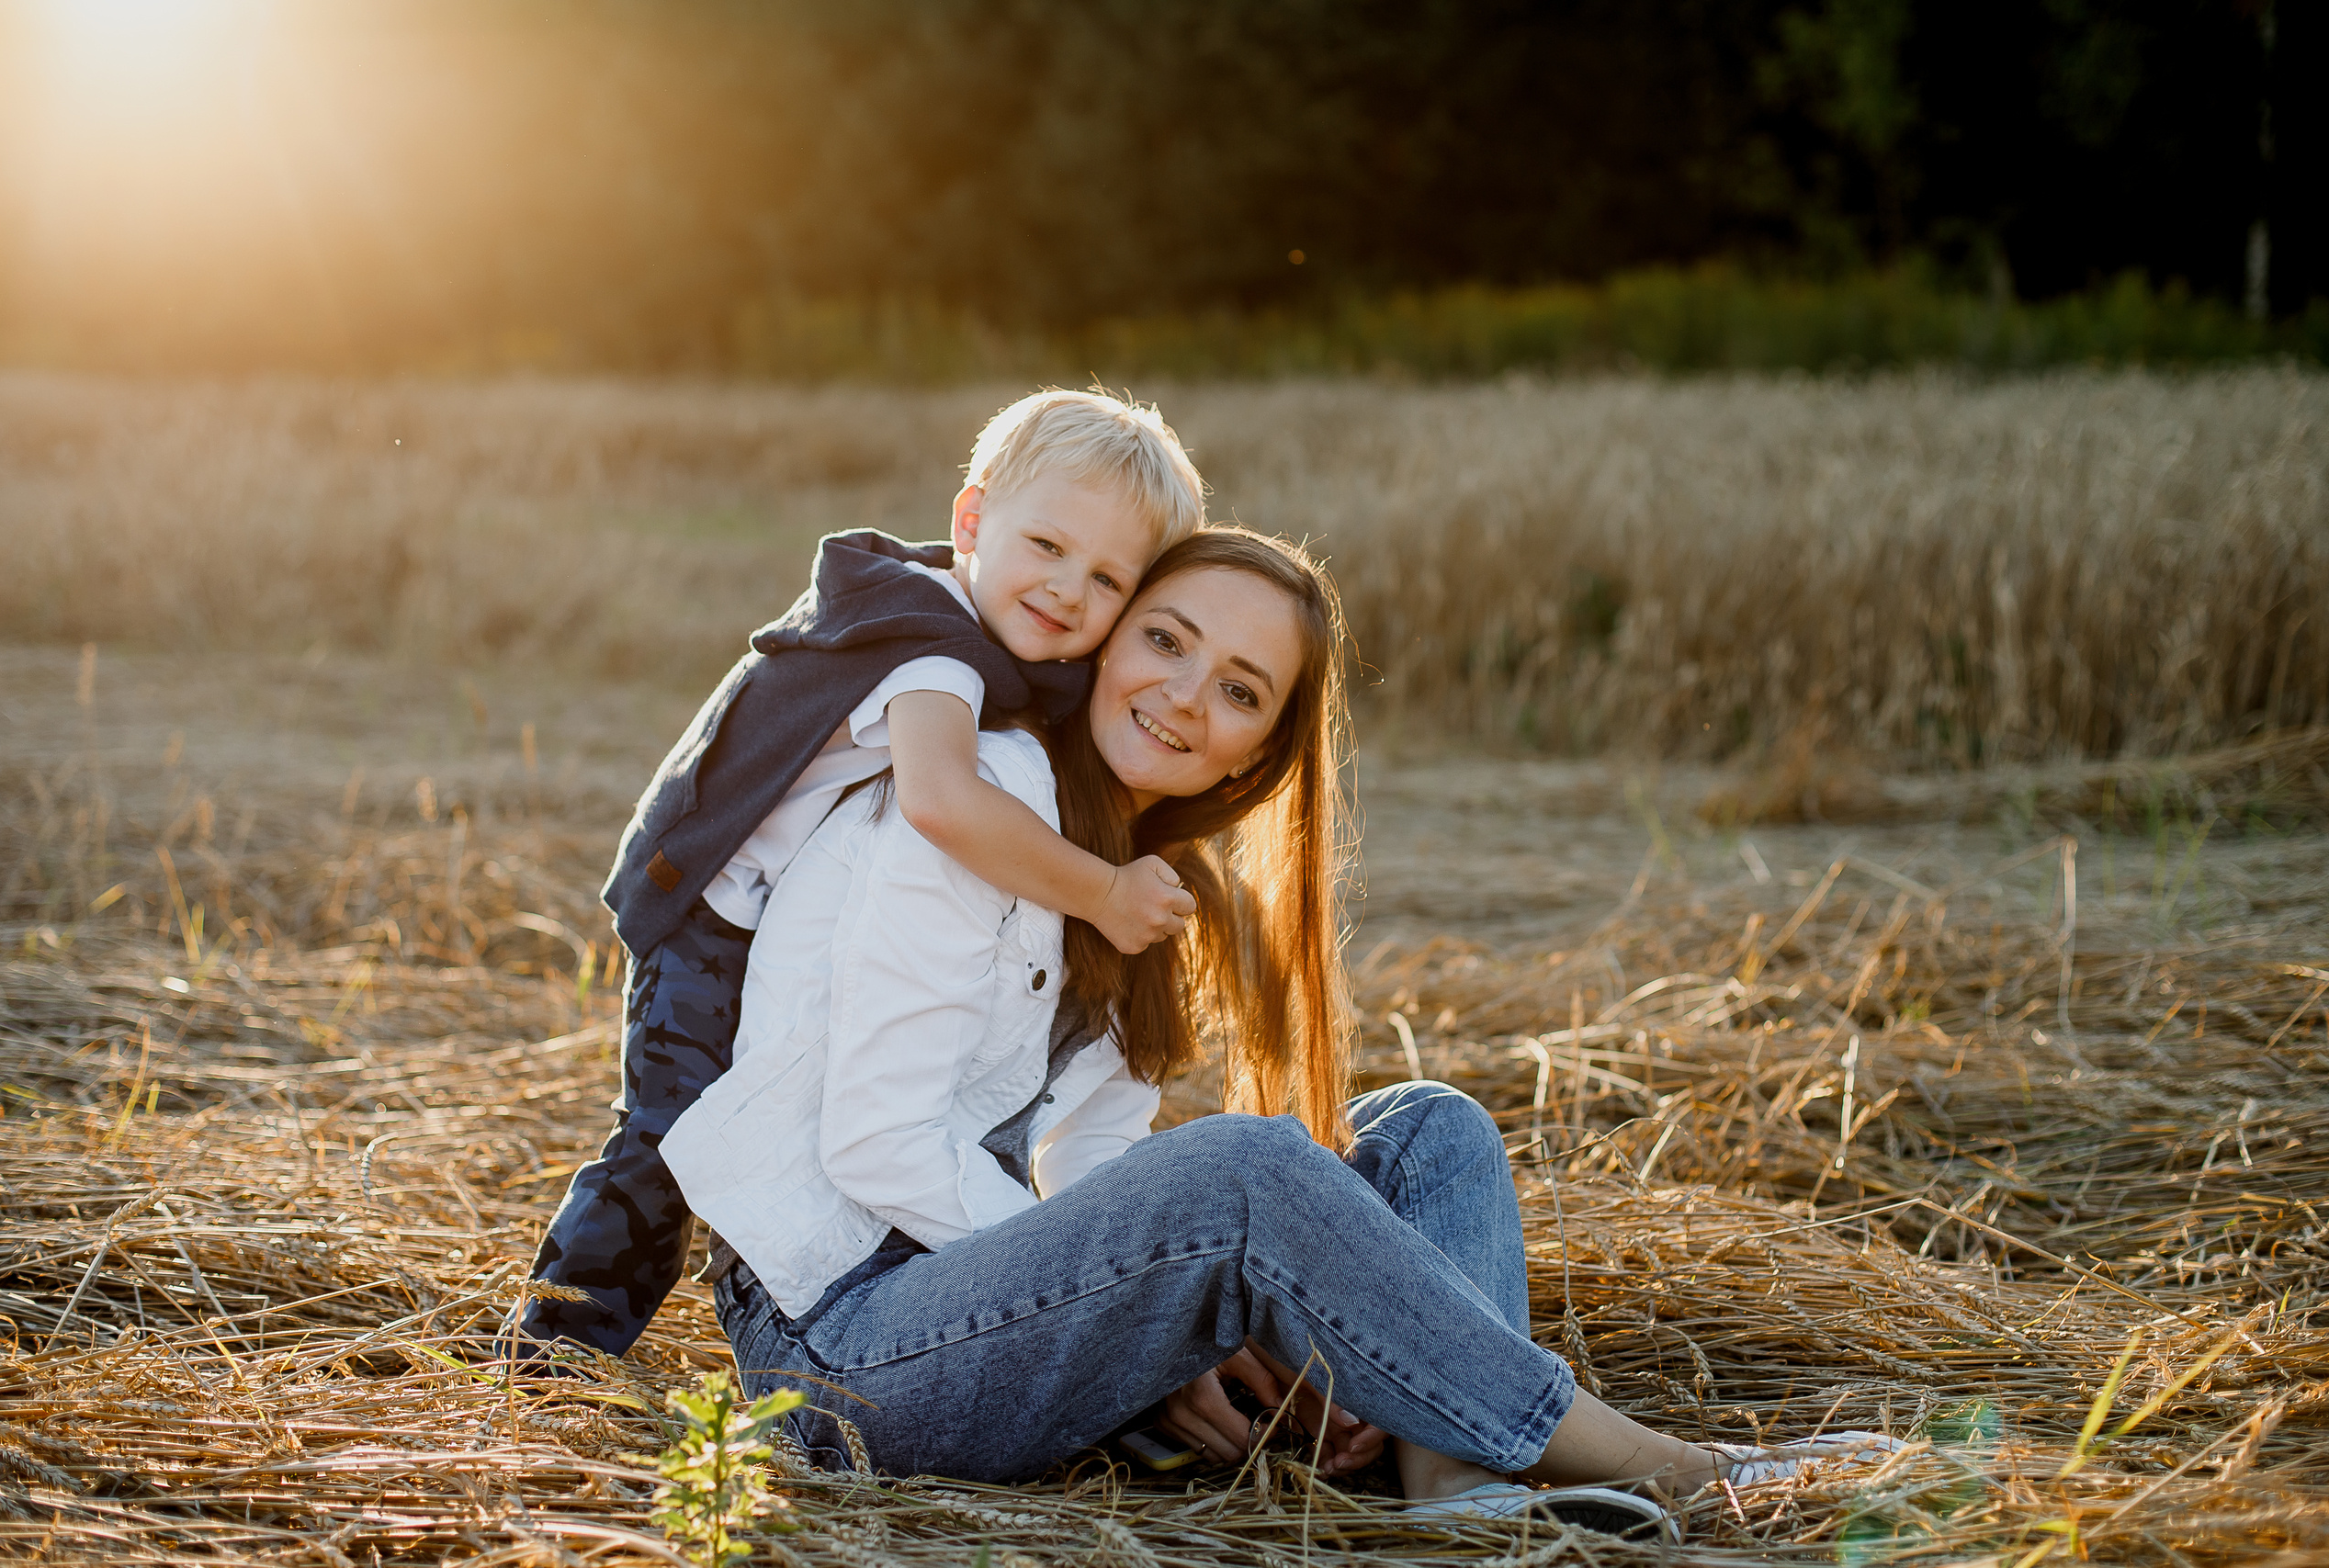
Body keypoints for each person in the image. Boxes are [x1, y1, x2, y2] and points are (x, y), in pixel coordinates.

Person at [664, 528, 1896, 1535]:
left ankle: (1452, 1489)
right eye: (1164, 639)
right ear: (1106, 638)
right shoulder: (983, 806)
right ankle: (1671, 1463)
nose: (1187, 697)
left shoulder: (1134, 875)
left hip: (971, 1298)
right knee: (1243, 1173)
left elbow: (1089, 1161)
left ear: (1261, 749)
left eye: (1241, 689)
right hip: (844, 1354)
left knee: (1426, 1131)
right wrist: (1144, 1321)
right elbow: (877, 1145)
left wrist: (1140, 1316)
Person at [513, 389, 1210, 1357]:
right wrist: (1099, 890)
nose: (1064, 590)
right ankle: (548, 1354)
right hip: (712, 922)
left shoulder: (947, 615)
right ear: (971, 520)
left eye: (1103, 580)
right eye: (1045, 547)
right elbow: (942, 800)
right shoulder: (933, 653)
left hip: (755, 913)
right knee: (667, 1149)